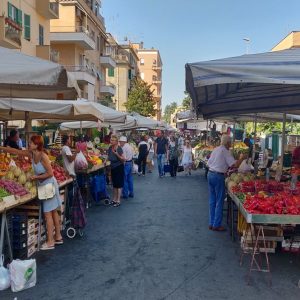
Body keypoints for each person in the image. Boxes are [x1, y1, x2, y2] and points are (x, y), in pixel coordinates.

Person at [0, 135, 63, 250]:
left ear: (37, 144)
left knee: (48, 213)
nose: (29, 144)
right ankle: (58, 237)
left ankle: (50, 242)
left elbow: (50, 173)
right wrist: (3, 148)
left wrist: (35, 177)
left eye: (31, 143)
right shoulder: (32, 154)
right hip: (44, 185)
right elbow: (16, 151)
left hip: (48, 185)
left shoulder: (43, 156)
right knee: (53, 211)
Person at [207, 135, 246, 232]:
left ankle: (211, 223)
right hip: (218, 176)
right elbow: (235, 165)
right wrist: (241, 158)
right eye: (230, 142)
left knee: (212, 200)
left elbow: (209, 163)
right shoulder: (225, 151)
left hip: (210, 174)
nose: (231, 144)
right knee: (219, 200)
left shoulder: (216, 149)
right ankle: (216, 224)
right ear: (228, 143)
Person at [108, 135, 125, 207]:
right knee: (114, 184)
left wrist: (116, 154)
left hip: (119, 167)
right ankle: (114, 199)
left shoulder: (119, 148)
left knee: (119, 184)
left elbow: (123, 159)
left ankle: (118, 200)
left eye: (113, 140)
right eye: (111, 140)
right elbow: (108, 156)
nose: (111, 141)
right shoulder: (109, 148)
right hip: (113, 167)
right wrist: (106, 160)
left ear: (116, 141)